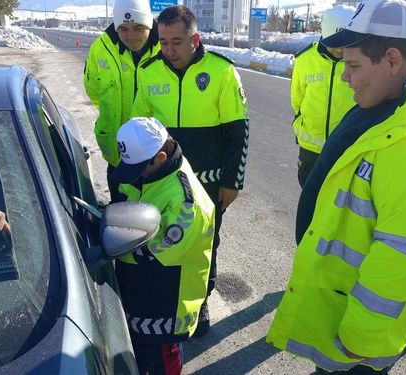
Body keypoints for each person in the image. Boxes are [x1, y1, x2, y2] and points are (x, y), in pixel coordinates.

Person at [267, 0, 406, 373]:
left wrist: (361, 337)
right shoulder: (388, 105)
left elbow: (397, 255)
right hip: (343, 300)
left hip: (359, 335)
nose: (346, 77)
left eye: (354, 66)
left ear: (392, 60)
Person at [132, 4, 249, 336]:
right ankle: (167, 299)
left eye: (177, 42)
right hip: (162, 183)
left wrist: (233, 181)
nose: (169, 50)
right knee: (163, 240)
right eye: (164, 41)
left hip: (208, 185)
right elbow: (140, 126)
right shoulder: (150, 71)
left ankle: (201, 302)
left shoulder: (222, 72)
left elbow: (239, 132)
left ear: (195, 39)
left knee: (204, 245)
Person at [111, 117, 214, 375]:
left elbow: (151, 255)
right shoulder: (148, 171)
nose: (134, 174)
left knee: (162, 361)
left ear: (161, 156)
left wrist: (110, 243)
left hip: (166, 301)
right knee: (140, 356)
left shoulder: (188, 206)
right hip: (143, 290)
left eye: (138, 167)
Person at [83, 0, 159, 202]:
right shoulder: (101, 48)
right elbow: (94, 90)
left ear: (149, 25)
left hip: (155, 155)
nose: (131, 35)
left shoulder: (165, 46)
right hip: (119, 152)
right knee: (120, 214)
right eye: (123, 29)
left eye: (138, 28)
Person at [291, 5, 356, 187]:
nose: (340, 50)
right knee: (309, 198)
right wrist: (302, 122)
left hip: (347, 148)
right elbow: (297, 98)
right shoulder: (305, 60)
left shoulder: (361, 62)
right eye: (334, 42)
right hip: (311, 148)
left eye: (346, 43)